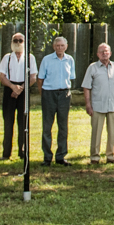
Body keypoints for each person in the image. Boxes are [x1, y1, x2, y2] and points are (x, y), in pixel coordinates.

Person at [82, 42, 114, 165]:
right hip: (97, 105)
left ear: (110, 53)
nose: (104, 54)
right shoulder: (92, 67)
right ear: (97, 54)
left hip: (113, 105)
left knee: (112, 132)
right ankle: (95, 157)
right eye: (101, 51)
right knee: (96, 132)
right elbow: (86, 87)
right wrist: (88, 104)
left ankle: (111, 156)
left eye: (106, 51)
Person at [0, 32, 36, 161]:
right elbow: (2, 77)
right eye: (15, 40)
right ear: (12, 43)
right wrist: (13, 87)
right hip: (9, 90)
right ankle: (6, 153)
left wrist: (20, 89)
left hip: (23, 89)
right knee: (8, 122)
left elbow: (33, 77)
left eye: (20, 40)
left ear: (24, 43)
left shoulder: (30, 58)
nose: (18, 43)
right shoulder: (7, 57)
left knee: (23, 122)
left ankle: (23, 151)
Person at [38, 36, 75, 165]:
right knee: (47, 126)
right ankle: (47, 157)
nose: (59, 48)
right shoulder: (47, 59)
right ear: (54, 47)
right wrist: (43, 95)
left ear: (66, 46)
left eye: (62, 46)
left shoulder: (69, 60)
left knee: (63, 126)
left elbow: (71, 78)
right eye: (57, 46)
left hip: (64, 94)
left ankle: (61, 156)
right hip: (49, 93)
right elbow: (40, 79)